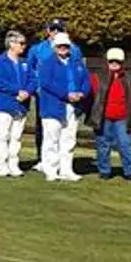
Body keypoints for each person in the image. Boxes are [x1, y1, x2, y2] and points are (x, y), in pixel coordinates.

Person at [34, 32, 88, 181]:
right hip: (53, 106)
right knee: (51, 139)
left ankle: (66, 170)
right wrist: (66, 94)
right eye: (59, 46)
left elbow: (86, 80)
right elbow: (46, 83)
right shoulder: (46, 63)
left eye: (65, 45)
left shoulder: (77, 63)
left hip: (73, 106)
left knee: (69, 139)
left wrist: (82, 93)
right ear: (54, 47)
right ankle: (51, 170)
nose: (63, 48)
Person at [89, 47, 131, 181]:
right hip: (103, 117)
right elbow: (91, 95)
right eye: (111, 61)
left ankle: (130, 172)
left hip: (122, 118)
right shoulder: (97, 77)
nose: (114, 64)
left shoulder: (129, 79)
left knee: (125, 145)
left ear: (122, 63)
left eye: (117, 61)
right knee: (103, 145)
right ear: (107, 61)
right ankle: (104, 171)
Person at [0, 31, 34, 177]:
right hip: (4, 104)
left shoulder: (25, 62)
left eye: (24, 43)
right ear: (11, 44)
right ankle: (2, 166)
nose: (24, 46)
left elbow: (33, 80)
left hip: (21, 105)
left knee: (16, 137)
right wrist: (18, 91)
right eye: (21, 43)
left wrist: (27, 92)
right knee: (2, 136)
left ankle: (14, 165)